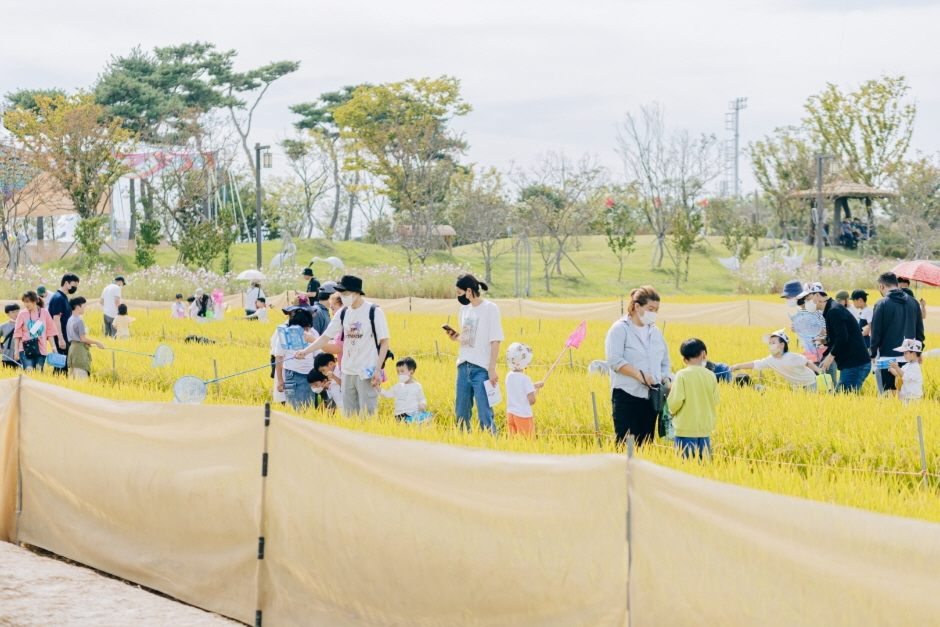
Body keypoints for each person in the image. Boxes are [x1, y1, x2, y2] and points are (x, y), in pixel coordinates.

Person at [298, 275, 390, 416]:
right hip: (347, 371)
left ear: (357, 293)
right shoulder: (343, 312)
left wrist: (378, 370)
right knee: (349, 415)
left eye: (346, 294)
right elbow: (325, 338)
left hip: (366, 371)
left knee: (367, 415)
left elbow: (384, 343)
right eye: (342, 294)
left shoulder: (374, 312)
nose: (343, 297)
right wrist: (305, 351)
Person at [604, 285, 671, 447]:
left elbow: (665, 362)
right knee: (626, 443)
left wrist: (666, 379)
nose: (654, 313)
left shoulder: (655, 332)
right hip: (627, 395)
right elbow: (614, 360)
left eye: (657, 310)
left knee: (646, 443)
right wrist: (638, 375)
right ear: (637, 307)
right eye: (650, 309)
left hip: (652, 396)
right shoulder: (620, 329)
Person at [443, 273, 503, 434]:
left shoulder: (490, 309)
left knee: (485, 415)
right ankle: (463, 450)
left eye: (459, 292)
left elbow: (495, 340)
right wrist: (456, 338)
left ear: (468, 291)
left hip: (482, 369)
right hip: (463, 367)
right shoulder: (464, 310)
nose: (458, 296)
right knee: (461, 414)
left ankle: (491, 450)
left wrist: (492, 369)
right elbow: (469, 339)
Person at [803, 283, 872, 393]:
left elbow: (842, 337)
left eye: (808, 298)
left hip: (855, 365)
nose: (806, 302)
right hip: (852, 364)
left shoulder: (834, 310)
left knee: (845, 401)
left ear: (817, 296)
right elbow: (841, 335)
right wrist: (824, 340)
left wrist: (830, 357)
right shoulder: (830, 309)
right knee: (843, 399)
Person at [871, 272, 926, 395]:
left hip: (888, 359)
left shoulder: (881, 303)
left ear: (881, 286)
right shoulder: (913, 302)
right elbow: (919, 331)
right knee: (907, 394)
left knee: (890, 395)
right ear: (896, 284)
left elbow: (876, 332)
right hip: (910, 358)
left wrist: (873, 353)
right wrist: (918, 352)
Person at [667, 339, 720, 459]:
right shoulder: (711, 375)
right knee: (703, 469)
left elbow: (675, 401)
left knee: (685, 469)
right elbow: (715, 400)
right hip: (705, 431)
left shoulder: (682, 375)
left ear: (685, 360)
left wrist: (671, 412)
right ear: (704, 354)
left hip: (685, 431)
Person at [730, 330, 822, 390]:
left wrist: (818, 370)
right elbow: (755, 364)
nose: (770, 345)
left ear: (782, 345)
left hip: (809, 382)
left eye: (773, 343)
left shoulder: (792, 356)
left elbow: (807, 362)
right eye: (769, 343)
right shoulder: (771, 360)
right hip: (796, 385)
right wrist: (738, 366)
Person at [274, 308, 320, 411]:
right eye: (303, 329)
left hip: (311, 375)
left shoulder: (313, 333)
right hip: (293, 375)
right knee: (297, 409)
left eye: (307, 327)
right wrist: (280, 380)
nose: (306, 331)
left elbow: (317, 355)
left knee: (311, 408)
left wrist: (319, 375)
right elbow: (279, 357)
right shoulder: (284, 336)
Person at [13, 290, 59, 371]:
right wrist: (16, 350)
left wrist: (54, 347)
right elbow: (17, 333)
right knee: (29, 371)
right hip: (25, 349)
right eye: (24, 302)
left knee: (38, 373)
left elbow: (50, 331)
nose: (26, 304)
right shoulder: (22, 314)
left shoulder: (44, 313)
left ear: (35, 301)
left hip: (41, 349)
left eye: (28, 302)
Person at [504, 342, 543, 437]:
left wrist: (533, 385)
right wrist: (534, 393)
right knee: (527, 441)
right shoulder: (525, 379)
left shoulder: (508, 376)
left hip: (511, 414)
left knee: (513, 442)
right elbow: (532, 401)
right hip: (523, 415)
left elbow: (518, 387)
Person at [47, 273, 79, 373]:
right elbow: (56, 319)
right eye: (74, 285)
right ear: (66, 283)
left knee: (62, 363)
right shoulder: (58, 298)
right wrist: (60, 339)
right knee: (61, 365)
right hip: (60, 336)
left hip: (65, 335)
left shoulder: (63, 297)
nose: (75, 288)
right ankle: (58, 385)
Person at [65, 297, 104, 380]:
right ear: (77, 307)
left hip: (72, 350)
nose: (84, 308)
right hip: (79, 351)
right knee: (81, 376)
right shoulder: (79, 321)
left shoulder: (70, 319)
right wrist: (97, 342)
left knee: (73, 377)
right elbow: (82, 338)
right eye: (84, 306)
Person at [380, 356, 428, 421]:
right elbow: (386, 394)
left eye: (402, 371)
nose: (399, 374)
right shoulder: (397, 386)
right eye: (398, 372)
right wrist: (377, 387)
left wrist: (423, 404)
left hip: (412, 415)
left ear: (411, 372)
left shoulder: (417, 386)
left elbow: (422, 398)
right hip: (398, 416)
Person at [1, 304, 20, 369]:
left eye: (17, 311)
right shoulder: (3, 326)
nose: (16, 314)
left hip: (21, 356)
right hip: (7, 356)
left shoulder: (24, 325)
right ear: (8, 314)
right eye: (13, 312)